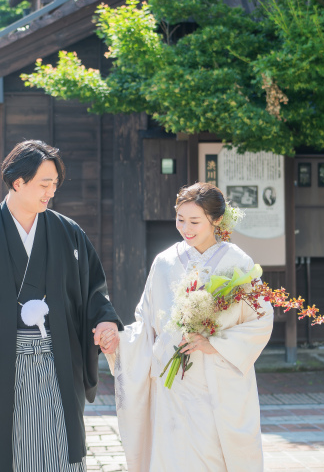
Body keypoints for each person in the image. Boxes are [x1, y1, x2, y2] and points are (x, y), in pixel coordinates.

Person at [0, 140, 123, 472]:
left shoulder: (68, 234)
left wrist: (105, 321)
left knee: (61, 446)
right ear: (18, 182)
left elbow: (93, 290)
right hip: (1, 365)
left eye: (54, 185)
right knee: (6, 451)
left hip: (58, 361)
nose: (51, 192)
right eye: (44, 184)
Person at [107, 182, 274, 472]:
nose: (186, 228)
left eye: (194, 221)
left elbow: (261, 319)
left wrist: (215, 343)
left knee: (212, 456)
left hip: (217, 382)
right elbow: (146, 323)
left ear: (217, 220)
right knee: (173, 456)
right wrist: (119, 341)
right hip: (172, 384)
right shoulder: (165, 262)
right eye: (180, 219)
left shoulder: (237, 262)